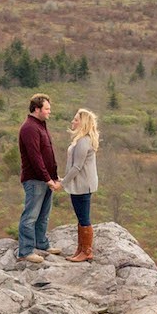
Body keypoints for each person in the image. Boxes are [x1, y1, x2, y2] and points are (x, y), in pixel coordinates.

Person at [17, 93, 61, 263]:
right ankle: (26, 251)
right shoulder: (29, 128)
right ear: (37, 109)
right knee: (30, 216)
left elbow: (48, 154)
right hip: (35, 180)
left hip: (46, 179)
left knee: (44, 215)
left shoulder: (41, 125)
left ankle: (41, 244)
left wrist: (54, 177)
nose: (50, 111)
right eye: (47, 108)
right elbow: (35, 157)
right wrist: (47, 179)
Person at [62, 109, 100, 262]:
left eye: (76, 119)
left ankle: (87, 251)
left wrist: (63, 183)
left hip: (83, 185)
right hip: (79, 185)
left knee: (84, 217)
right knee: (81, 217)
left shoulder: (84, 141)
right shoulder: (81, 140)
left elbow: (77, 167)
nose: (73, 122)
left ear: (83, 122)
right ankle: (81, 248)